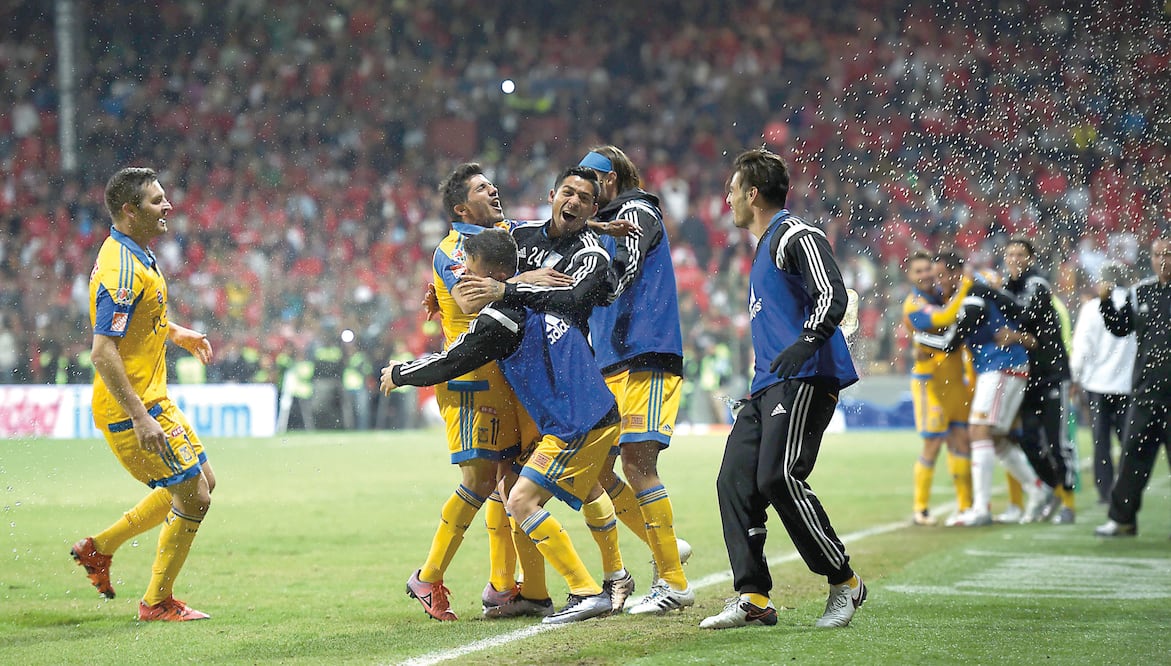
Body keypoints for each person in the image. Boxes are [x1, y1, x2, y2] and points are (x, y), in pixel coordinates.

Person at [382, 228, 618, 624]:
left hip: (576, 423)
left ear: (486, 272)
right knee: (523, 492)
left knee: (521, 500)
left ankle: (587, 591)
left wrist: (400, 373)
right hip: (593, 412)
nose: (465, 278)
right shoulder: (543, 292)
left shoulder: (499, 318)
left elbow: (454, 360)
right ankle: (530, 589)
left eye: (469, 270)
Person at [457, 166, 637, 612]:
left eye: (584, 199)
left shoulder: (591, 255)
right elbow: (486, 254)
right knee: (511, 481)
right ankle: (524, 588)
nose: (572, 202)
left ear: (594, 207)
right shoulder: (522, 237)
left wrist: (504, 289)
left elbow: (575, 300)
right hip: (519, 376)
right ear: (553, 194)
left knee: (583, 480)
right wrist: (491, 285)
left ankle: (613, 575)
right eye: (567, 194)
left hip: (561, 375)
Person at [701, 149, 865, 630]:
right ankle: (753, 596)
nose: (727, 198)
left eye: (732, 189)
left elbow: (833, 292)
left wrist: (808, 341)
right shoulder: (764, 245)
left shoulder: (794, 234)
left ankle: (845, 582)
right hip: (768, 386)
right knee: (735, 480)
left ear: (752, 194)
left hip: (806, 378)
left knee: (778, 477)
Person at [71, 167, 216, 622]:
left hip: (152, 397)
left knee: (203, 483)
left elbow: (137, 320)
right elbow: (102, 351)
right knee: (194, 498)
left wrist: (175, 333)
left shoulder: (136, 253)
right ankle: (156, 602)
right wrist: (139, 417)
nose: (168, 206)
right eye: (156, 201)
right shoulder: (121, 270)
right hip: (132, 406)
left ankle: (100, 548)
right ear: (129, 212)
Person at [405, 163, 546, 622]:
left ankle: (504, 587)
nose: (495, 189)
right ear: (462, 207)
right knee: (479, 481)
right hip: (470, 380)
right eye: (483, 188)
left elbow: (547, 233)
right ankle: (428, 577)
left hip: (507, 377)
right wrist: (525, 283)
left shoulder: (504, 233)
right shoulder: (450, 250)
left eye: (493, 183)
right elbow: (469, 300)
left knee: (508, 481)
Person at [576, 145, 693, 615]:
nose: (581, 190)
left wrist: (603, 285)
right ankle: (665, 544)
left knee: (638, 463)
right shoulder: (596, 227)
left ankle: (673, 582)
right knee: (598, 470)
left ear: (609, 180)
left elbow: (627, 261)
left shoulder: (637, 210)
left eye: (589, 180)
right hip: (611, 359)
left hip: (646, 350)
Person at [915, 255, 1052, 527]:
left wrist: (917, 336)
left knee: (978, 431)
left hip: (1002, 366)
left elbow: (950, 343)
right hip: (1001, 367)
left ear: (956, 274)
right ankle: (1038, 490)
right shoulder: (972, 294)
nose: (939, 282)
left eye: (942, 275)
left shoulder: (973, 296)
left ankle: (981, 508)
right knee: (997, 438)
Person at [1094, 237, 1171, 537]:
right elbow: (1120, 327)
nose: (1163, 259)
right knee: (1131, 457)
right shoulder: (1141, 292)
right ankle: (1122, 519)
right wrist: (1104, 301)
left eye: (1168, 254)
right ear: (1149, 258)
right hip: (1145, 391)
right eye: (1157, 254)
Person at [1002, 238, 1077, 523]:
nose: (1015, 259)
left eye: (1020, 254)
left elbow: (1023, 314)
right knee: (1029, 440)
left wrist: (989, 294)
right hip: (1027, 377)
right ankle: (1054, 489)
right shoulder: (1008, 288)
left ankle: (1068, 502)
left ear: (1030, 258)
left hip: (1053, 374)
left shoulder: (1038, 284)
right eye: (1010, 254)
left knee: (1057, 443)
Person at [900, 249, 974, 526]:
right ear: (910, 276)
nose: (925, 275)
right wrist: (966, 286)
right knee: (933, 443)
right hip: (929, 382)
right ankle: (921, 509)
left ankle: (966, 507)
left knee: (960, 439)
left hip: (954, 379)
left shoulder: (944, 293)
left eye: (927, 269)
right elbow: (943, 319)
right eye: (918, 271)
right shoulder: (914, 305)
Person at [1069, 262, 1135, 505]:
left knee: (1101, 443)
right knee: (1127, 441)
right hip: (1128, 385)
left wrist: (1075, 377)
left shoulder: (1091, 308)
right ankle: (1126, 489)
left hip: (1097, 386)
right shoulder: (1133, 305)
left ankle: (1105, 492)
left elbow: (1082, 349)